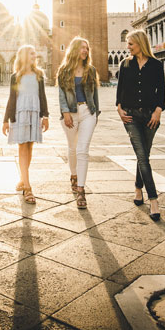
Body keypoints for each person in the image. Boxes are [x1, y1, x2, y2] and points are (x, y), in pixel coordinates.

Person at [116, 29, 165, 222]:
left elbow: (161, 91)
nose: (127, 47)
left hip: (151, 116)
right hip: (130, 116)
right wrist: (119, 110)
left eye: (130, 44)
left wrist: (158, 111)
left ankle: (138, 189)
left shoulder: (156, 65)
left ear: (140, 44)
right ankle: (153, 199)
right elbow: (119, 92)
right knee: (143, 157)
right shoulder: (125, 64)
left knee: (143, 155)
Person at [2, 44, 49, 204]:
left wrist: (46, 116)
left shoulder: (39, 75)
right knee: (22, 148)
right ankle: (28, 188)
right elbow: (11, 98)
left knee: (29, 148)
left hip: (34, 113)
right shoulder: (16, 76)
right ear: (23, 56)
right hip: (20, 113)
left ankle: (23, 179)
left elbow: (42, 96)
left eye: (35, 53)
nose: (34, 56)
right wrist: (5, 120)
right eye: (31, 53)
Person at [57, 37, 100, 209]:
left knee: (83, 150)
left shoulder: (91, 70)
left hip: (88, 112)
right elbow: (61, 94)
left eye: (87, 48)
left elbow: (95, 94)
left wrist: (96, 113)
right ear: (74, 49)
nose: (85, 51)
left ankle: (81, 189)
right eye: (82, 47)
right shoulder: (64, 70)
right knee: (73, 148)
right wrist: (65, 112)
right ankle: (73, 175)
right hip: (70, 113)